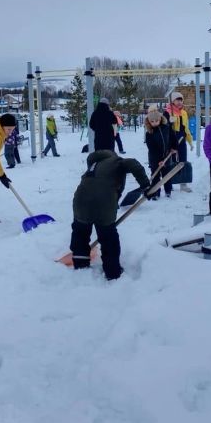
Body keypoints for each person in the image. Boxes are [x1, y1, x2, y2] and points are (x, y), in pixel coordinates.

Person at [69, 150, 152, 281]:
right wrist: (146, 185)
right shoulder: (115, 160)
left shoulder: (93, 166)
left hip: (80, 202)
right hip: (103, 202)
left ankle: (80, 266)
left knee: (80, 233)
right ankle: (112, 272)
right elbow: (133, 163)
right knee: (108, 238)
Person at [144, 106, 179, 199]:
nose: (155, 123)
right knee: (155, 176)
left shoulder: (166, 128)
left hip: (167, 156)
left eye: (156, 121)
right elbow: (152, 148)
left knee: (166, 175)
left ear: (160, 119)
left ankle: (168, 191)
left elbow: (173, 137)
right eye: (152, 121)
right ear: (149, 122)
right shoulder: (149, 133)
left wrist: (174, 147)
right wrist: (159, 160)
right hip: (154, 158)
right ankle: (155, 192)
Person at [164, 92, 194, 192]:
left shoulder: (184, 113)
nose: (180, 102)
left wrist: (190, 141)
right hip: (172, 139)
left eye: (181, 99)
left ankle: (183, 184)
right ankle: (170, 183)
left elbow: (186, 128)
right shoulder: (167, 112)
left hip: (182, 139)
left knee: (183, 160)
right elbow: (164, 127)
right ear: (172, 101)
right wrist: (169, 121)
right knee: (171, 161)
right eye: (177, 99)